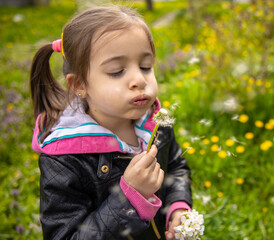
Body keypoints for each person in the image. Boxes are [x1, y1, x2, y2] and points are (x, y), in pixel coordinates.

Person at [30, 5, 192, 240]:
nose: (139, 79)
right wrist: (129, 199)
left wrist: (178, 205)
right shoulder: (65, 157)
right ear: (79, 85)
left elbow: (176, 166)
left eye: (146, 66)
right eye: (117, 71)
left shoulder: (156, 123)